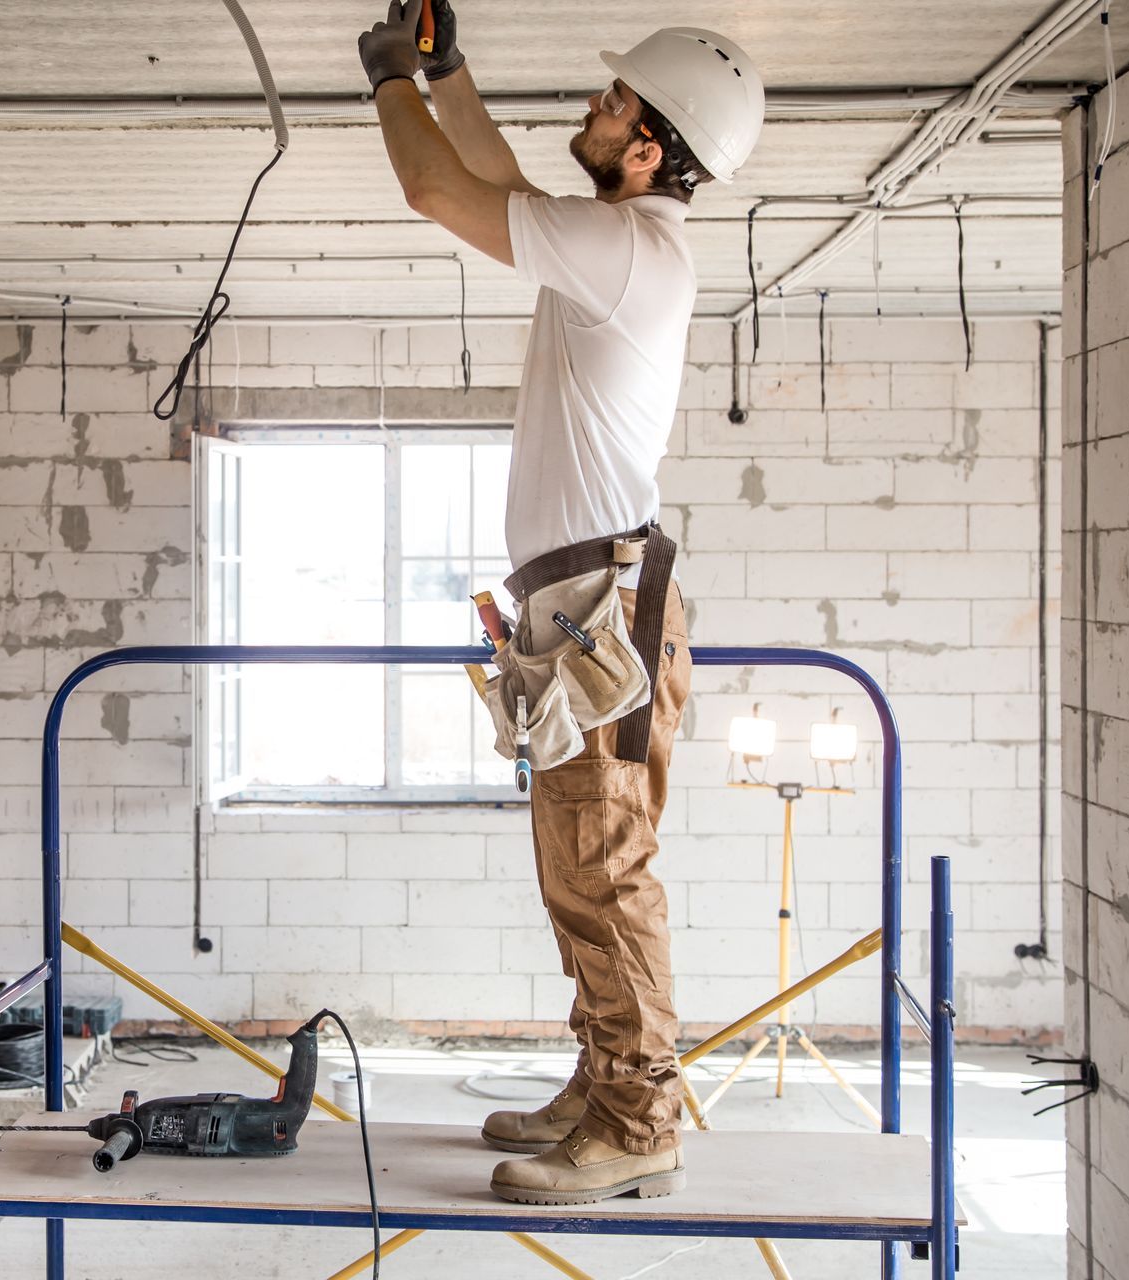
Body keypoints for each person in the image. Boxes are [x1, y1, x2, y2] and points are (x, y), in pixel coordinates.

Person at [357, 2, 765, 1206]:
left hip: (597, 610)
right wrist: (449, 70)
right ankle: (603, 1083)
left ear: (647, 151)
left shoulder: (629, 249)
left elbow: (441, 192)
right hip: (578, 606)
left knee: (606, 865)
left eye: (610, 105)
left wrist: (390, 83)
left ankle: (641, 1119)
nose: (589, 113)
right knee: (579, 868)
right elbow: (496, 177)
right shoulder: (614, 240)